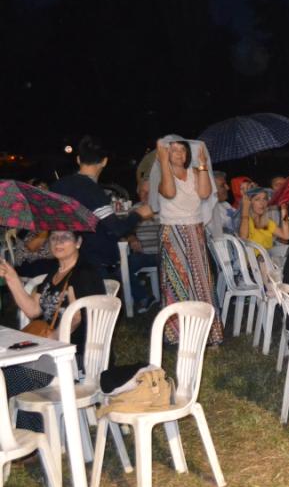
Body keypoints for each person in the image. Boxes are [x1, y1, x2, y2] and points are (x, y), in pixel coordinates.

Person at [0, 230, 105, 431]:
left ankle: (32, 434)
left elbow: (76, 318)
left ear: (78, 242)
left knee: (11, 376)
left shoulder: (84, 273)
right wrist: (12, 279)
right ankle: (23, 432)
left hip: (75, 356)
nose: (58, 242)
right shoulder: (54, 274)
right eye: (54, 237)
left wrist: (53, 337)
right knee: (7, 371)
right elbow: (33, 310)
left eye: (65, 237)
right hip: (51, 352)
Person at [151, 136, 224, 346]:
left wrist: (202, 164)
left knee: (201, 279)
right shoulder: (162, 175)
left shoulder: (195, 172)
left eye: (182, 150)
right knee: (178, 281)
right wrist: (163, 161)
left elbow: (205, 193)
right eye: (173, 150)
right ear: (166, 153)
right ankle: (180, 334)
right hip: (173, 232)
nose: (179, 154)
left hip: (195, 231)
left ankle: (207, 332)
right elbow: (170, 192)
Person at [50, 135, 154, 277]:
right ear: (104, 162)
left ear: (78, 159)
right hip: (94, 264)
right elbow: (118, 229)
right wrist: (139, 214)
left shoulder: (58, 186)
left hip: (64, 259)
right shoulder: (91, 190)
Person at [125, 177, 160, 313]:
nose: (145, 195)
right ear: (138, 192)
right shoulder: (134, 209)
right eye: (142, 192)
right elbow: (126, 231)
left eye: (148, 192)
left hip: (162, 253)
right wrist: (132, 238)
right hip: (142, 254)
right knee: (122, 268)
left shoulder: (163, 208)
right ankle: (144, 297)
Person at [206, 170, 236, 238]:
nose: (227, 188)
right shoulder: (207, 211)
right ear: (212, 188)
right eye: (222, 185)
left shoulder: (225, 204)